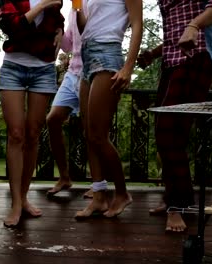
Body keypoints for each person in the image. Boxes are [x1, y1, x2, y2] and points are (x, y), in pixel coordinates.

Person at [137, 0, 212, 232]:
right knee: (166, 134)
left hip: (197, 57)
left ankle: (178, 205)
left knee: (169, 133)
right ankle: (174, 196)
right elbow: (176, 34)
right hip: (171, 63)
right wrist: (153, 53)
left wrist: (194, 25)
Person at [0, 0, 64, 227]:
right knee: (16, 134)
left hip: (43, 69)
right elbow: (12, 26)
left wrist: (60, 31)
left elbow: (59, 19)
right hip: (13, 67)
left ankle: (23, 198)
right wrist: (43, 4)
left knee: (34, 133)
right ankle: (15, 203)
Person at [74, 0, 143, 218]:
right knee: (89, 134)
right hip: (87, 54)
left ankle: (122, 193)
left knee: (98, 135)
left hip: (108, 52)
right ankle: (99, 197)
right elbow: (85, 26)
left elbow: (137, 23)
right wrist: (76, 5)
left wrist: (128, 67)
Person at [45, 7, 93, 198]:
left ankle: (99, 183)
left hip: (92, 71)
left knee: (91, 129)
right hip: (73, 72)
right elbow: (68, 45)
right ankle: (64, 177)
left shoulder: (97, 5)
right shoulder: (74, 8)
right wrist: (59, 30)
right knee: (53, 119)